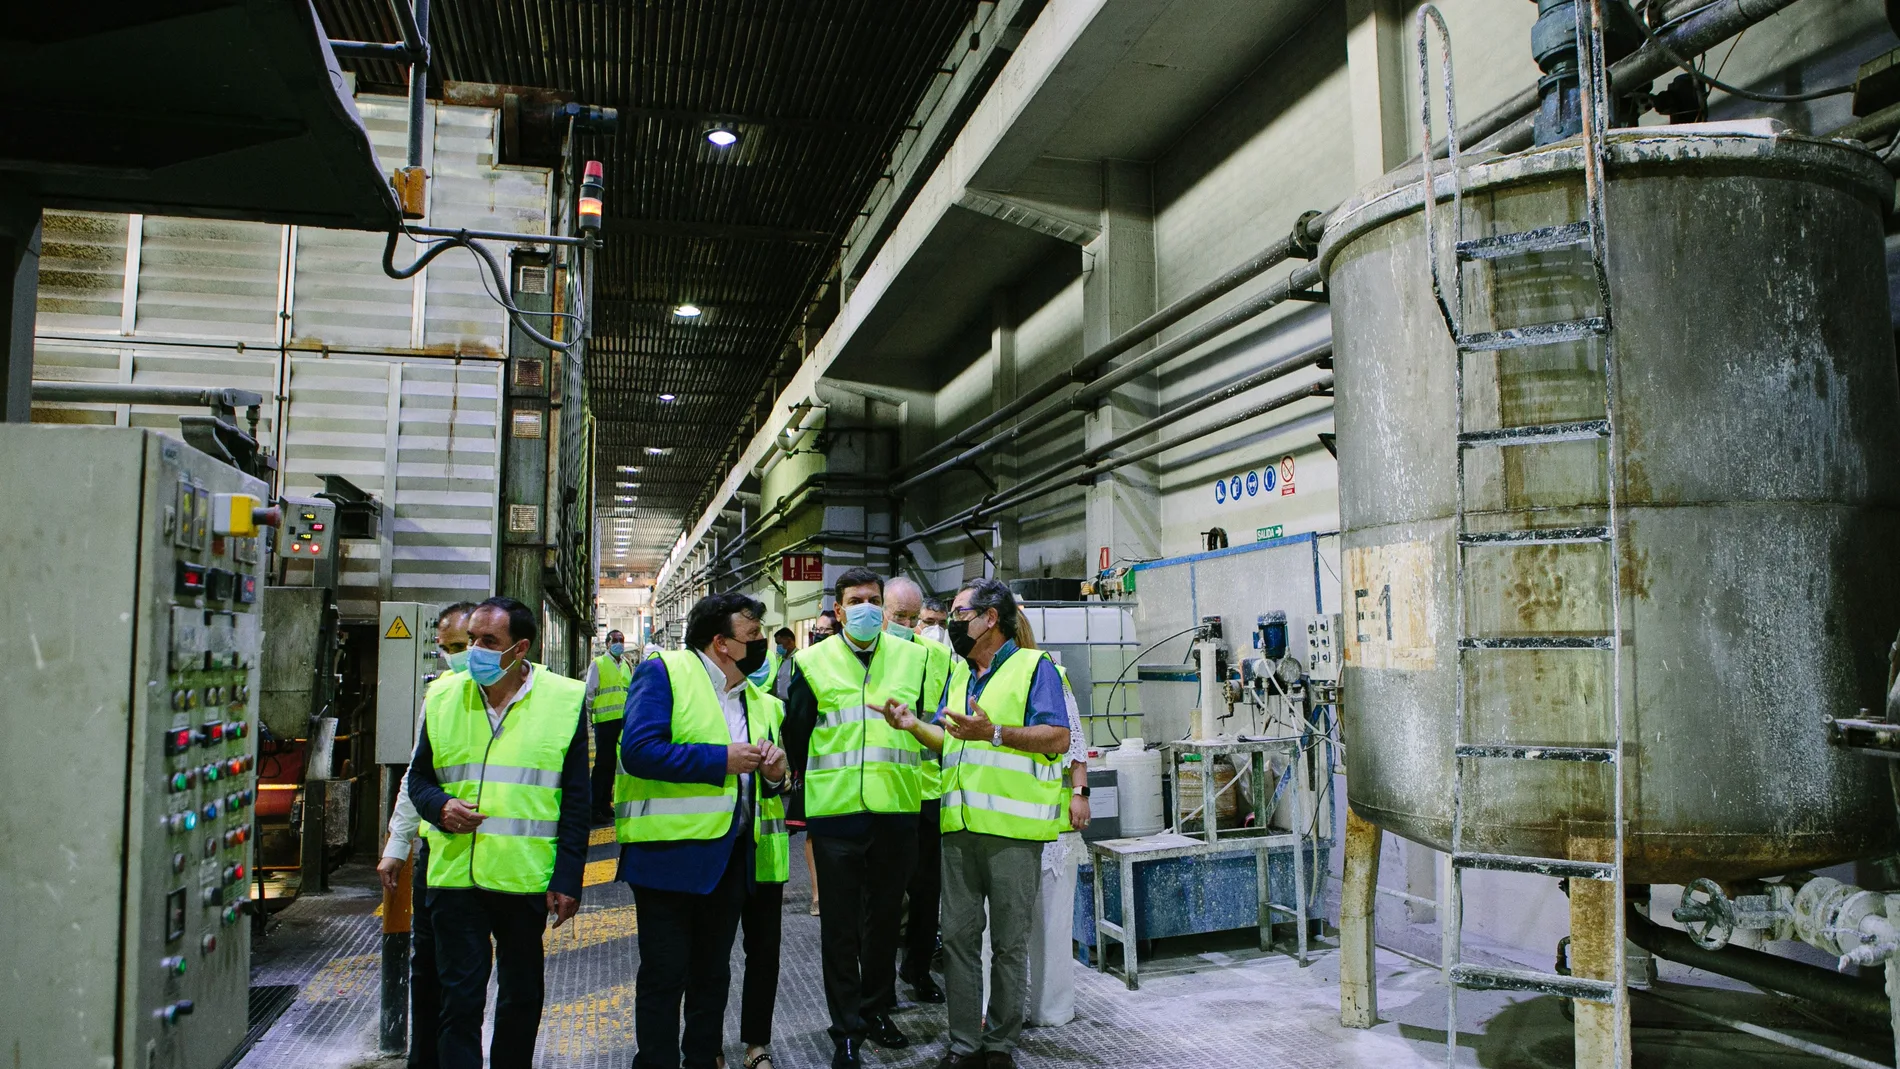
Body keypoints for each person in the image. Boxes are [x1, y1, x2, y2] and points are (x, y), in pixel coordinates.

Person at [878, 577, 1069, 1069]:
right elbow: (952, 741)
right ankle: (964, 1045)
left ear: (991, 618)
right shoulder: (960, 674)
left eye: (962, 614)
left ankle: (1000, 1045)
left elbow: (1058, 737)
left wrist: (997, 732)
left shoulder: (1035, 667)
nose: (954, 624)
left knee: (1008, 944)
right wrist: (913, 726)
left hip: (1012, 834)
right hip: (958, 830)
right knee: (959, 940)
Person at [406, 597, 591, 1069]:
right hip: (454, 877)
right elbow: (418, 779)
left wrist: (569, 877)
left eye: (489, 642)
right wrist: (439, 806)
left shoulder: (564, 700)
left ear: (520, 648)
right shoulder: (444, 696)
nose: (475, 652)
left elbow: (575, 801)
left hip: (523, 877)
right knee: (459, 1003)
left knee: (520, 997)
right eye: (471, 640)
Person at [616, 592, 790, 1069]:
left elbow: (765, 784)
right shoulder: (664, 672)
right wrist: (722, 760)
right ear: (721, 643)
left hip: (730, 857)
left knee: (713, 975)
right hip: (666, 857)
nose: (762, 644)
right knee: (665, 975)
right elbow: (640, 750)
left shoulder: (754, 699)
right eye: (752, 636)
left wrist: (775, 775)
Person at [782, 569, 932, 1068]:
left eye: (873, 600)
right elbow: (796, 735)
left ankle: (875, 1009)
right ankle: (846, 1029)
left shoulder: (915, 658)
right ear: (840, 610)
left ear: (884, 608)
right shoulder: (811, 662)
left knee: (885, 923)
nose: (865, 608)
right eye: (855, 601)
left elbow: (930, 727)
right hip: (837, 814)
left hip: (896, 812)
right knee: (841, 929)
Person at [377, 602, 477, 1069]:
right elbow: (415, 778)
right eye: (446, 648)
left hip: (500, 867)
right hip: (440, 858)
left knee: (465, 986)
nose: (453, 657)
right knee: (428, 972)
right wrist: (398, 846)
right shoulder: (438, 696)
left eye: (462, 646)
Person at [1012, 618, 1090, 1028]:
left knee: (1052, 924)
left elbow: (1076, 742)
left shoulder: (1052, 675)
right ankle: (994, 1012)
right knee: (996, 933)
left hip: (1051, 824)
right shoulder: (971, 678)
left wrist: (1080, 792)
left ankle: (1052, 1008)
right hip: (1000, 822)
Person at [882, 577, 952, 1005]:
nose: (907, 625)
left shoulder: (940, 657)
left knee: (928, 892)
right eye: (899, 617)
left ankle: (918, 969)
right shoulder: (869, 657)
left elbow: (947, 714)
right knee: (885, 895)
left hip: (928, 792)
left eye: (914, 618)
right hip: (884, 791)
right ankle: (879, 983)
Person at [585, 629, 636, 824]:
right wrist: (589, 718)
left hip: (621, 722)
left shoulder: (626, 665)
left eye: (621, 641)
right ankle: (594, 807)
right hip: (604, 722)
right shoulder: (598, 664)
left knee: (612, 765)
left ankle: (605, 805)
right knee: (602, 766)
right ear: (607, 644)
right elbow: (589, 693)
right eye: (615, 640)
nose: (619, 644)